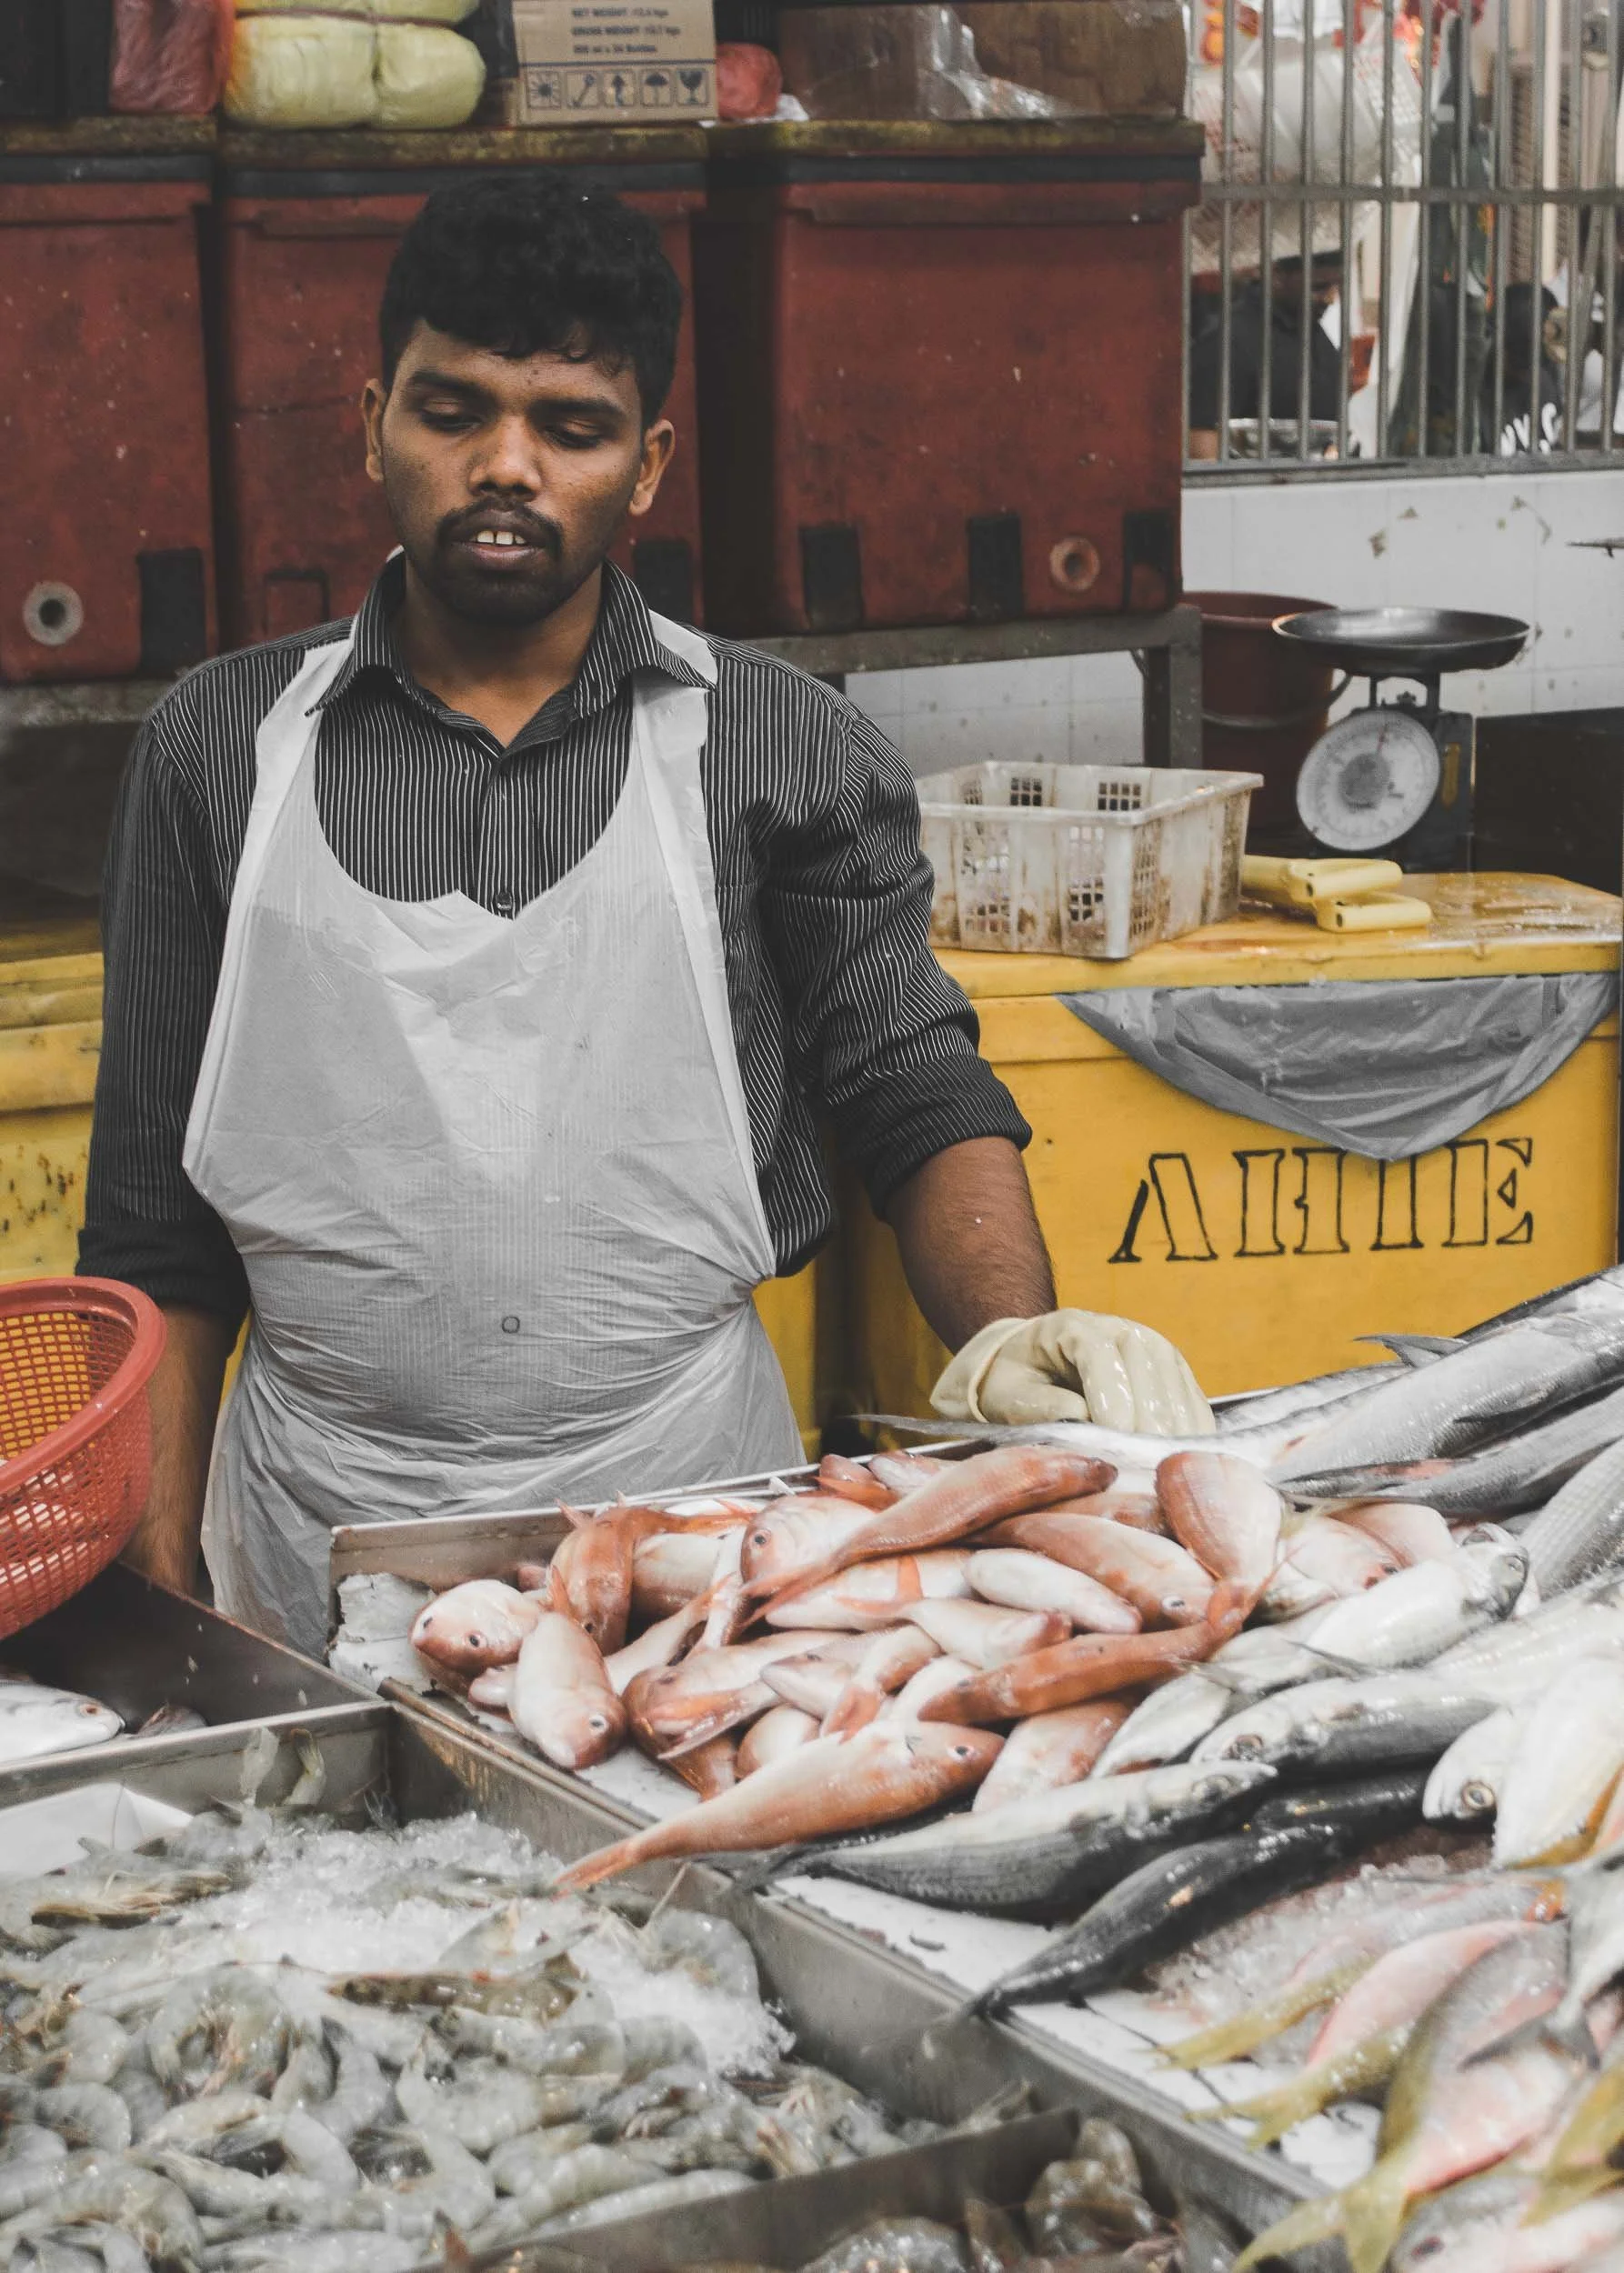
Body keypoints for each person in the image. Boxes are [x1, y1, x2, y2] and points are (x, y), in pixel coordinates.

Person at [80, 173, 1208, 1659]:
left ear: (648, 462)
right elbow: (154, 1228)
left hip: (696, 1518)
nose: (505, 464)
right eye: (451, 410)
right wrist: (164, 1581)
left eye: (569, 425)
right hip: (311, 1525)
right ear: (369, 425)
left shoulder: (779, 744)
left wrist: (1003, 1335)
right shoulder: (217, 746)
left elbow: (908, 1085)